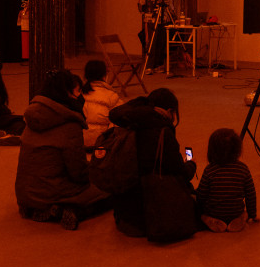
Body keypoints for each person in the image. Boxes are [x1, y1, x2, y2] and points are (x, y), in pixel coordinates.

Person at [14, 70, 110, 230]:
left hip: (25, 193)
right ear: (66, 93)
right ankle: (69, 210)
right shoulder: (69, 124)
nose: (80, 96)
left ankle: (36, 209)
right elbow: (78, 173)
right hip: (53, 192)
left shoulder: (33, 116)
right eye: (77, 92)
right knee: (107, 191)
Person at [107, 87, 193, 238]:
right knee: (190, 193)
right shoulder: (161, 132)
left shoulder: (130, 124)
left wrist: (141, 102)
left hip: (125, 218)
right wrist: (192, 164)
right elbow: (181, 172)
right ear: (170, 111)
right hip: (150, 219)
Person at [196, 128, 259, 232]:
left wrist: (199, 210)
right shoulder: (243, 169)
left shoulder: (210, 170)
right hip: (235, 211)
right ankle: (239, 220)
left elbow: (201, 195)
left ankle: (213, 221)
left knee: (201, 213)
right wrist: (253, 214)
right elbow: (250, 194)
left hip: (214, 212)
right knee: (244, 213)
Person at [81, 58, 122, 149]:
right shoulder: (111, 96)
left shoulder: (79, 93)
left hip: (81, 141)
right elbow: (119, 120)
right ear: (104, 76)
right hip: (101, 143)